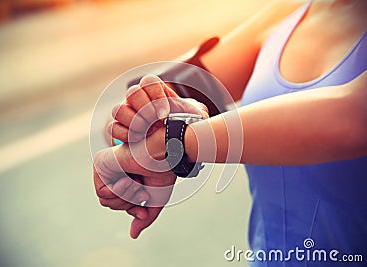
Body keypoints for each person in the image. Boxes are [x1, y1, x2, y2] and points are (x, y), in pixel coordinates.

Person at [93, 0, 367, 265]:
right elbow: (124, 121)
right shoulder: (287, 13)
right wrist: (151, 123)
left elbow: (353, 119)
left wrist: (172, 144)